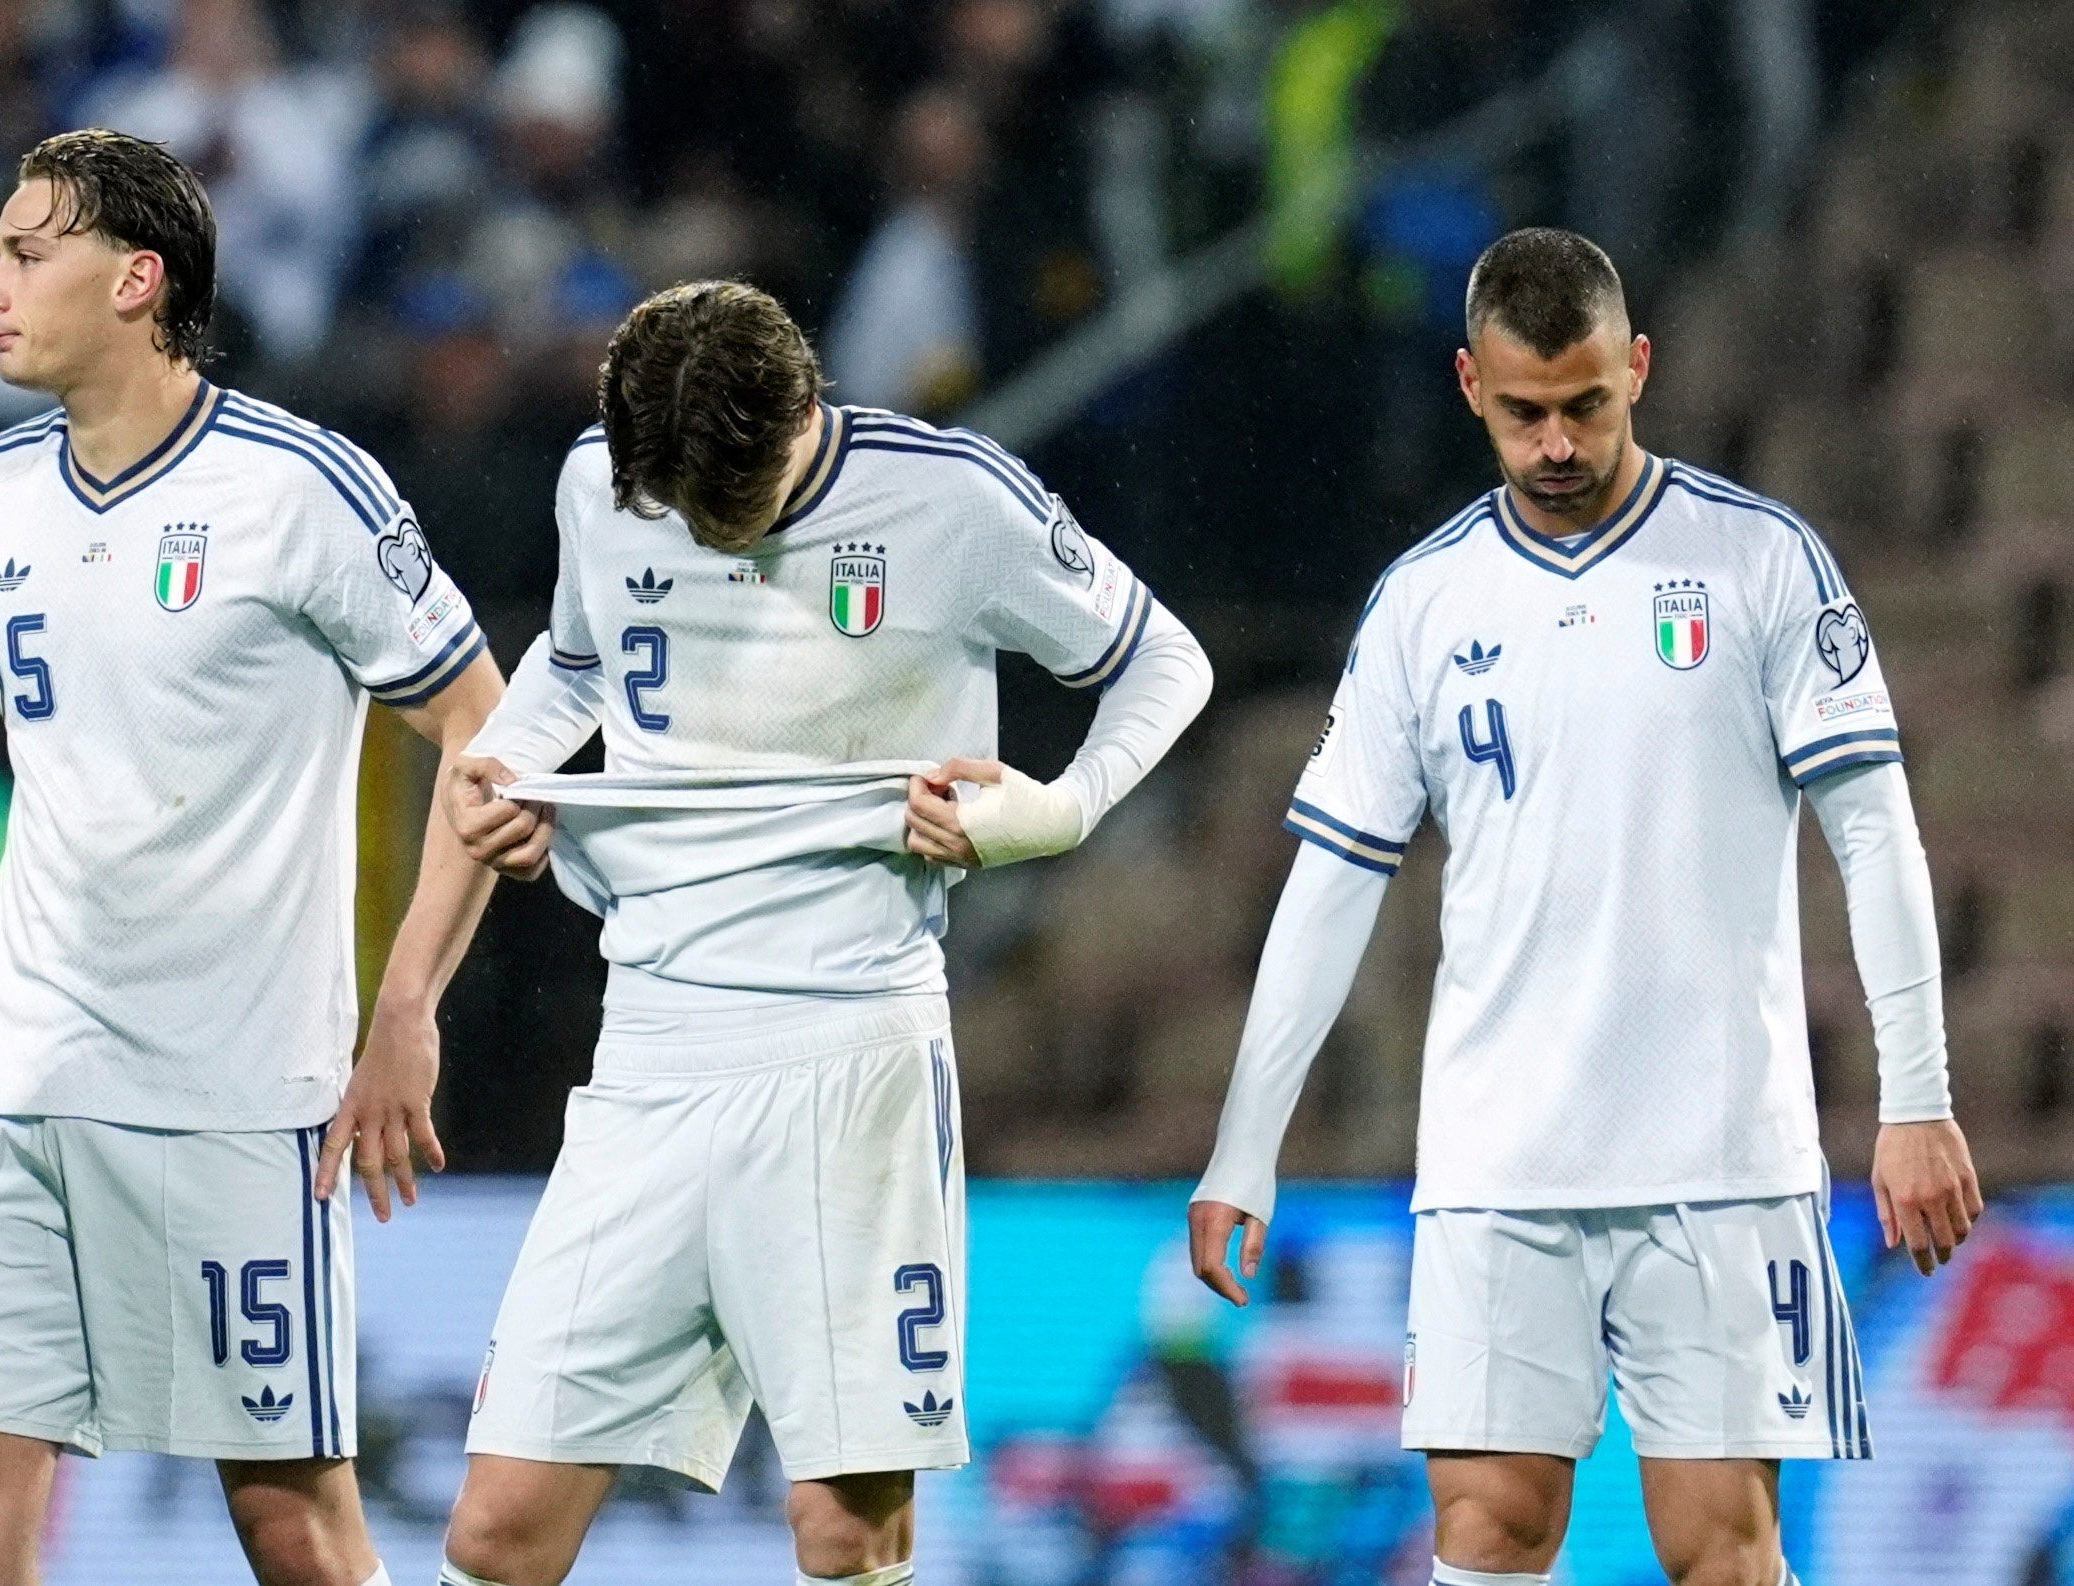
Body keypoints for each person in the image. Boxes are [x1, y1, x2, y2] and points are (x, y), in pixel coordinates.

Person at [1189, 227, 1984, 1586]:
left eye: (1586, 404)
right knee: (1490, 1532)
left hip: (1723, 1157)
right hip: (1502, 1162)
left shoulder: (1760, 563)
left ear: (1640, 369)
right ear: (1466, 385)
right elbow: (1330, 884)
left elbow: (1877, 829)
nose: (1557, 442)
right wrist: (1243, 1145)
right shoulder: (1423, 606)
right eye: (1523, 412)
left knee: (1719, 1549)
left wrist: (1918, 1094)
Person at [436, 279, 1214, 1586]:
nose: (699, 526)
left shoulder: (953, 502)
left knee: (847, 1532)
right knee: (497, 1528)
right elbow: (579, 657)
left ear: (806, 407)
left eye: (723, 499)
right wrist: (507, 762)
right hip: (648, 1058)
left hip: (850, 1059)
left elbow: (1165, 661)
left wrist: (1058, 810)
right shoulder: (604, 481)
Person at [0, 129, 504, 1586]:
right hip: (14, 1086)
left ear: (137, 279)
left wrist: (405, 1012)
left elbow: (486, 731)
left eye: (25, 254)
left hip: (234, 1102)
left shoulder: (303, 491)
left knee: (293, 1522)